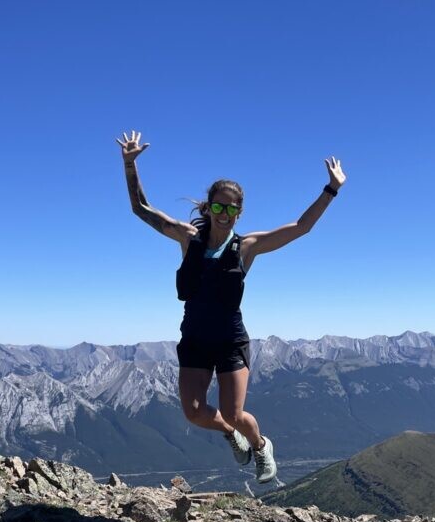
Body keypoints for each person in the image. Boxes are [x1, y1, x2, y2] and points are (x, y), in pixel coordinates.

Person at [117, 130, 345, 483]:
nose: (224, 213)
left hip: (229, 340)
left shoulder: (247, 247)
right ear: (208, 208)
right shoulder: (187, 238)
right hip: (194, 338)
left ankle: (260, 445)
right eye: (218, 207)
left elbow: (301, 227)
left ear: (239, 212)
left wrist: (331, 189)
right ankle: (230, 434)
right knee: (194, 413)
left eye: (231, 208)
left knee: (234, 412)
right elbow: (140, 209)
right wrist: (130, 165)